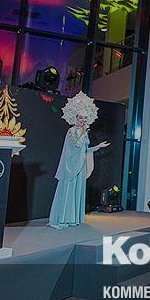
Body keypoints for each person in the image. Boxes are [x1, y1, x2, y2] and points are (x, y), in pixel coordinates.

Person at [48, 92, 109, 229]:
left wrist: (98, 146)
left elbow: (84, 150)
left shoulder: (84, 133)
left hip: (80, 165)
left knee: (77, 191)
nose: (83, 120)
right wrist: (84, 132)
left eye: (85, 118)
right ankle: (63, 218)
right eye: (80, 118)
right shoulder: (72, 131)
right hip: (71, 166)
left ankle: (73, 218)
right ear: (76, 118)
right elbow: (76, 144)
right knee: (69, 190)